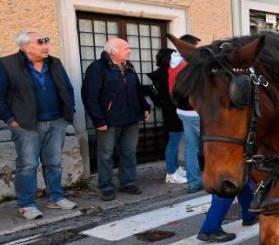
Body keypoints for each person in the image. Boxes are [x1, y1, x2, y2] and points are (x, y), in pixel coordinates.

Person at [0, 31, 78, 219]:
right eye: (40, 42)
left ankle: (56, 198)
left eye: (46, 41)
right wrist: (10, 120)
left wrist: (69, 111)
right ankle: (26, 204)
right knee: (27, 165)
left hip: (57, 121)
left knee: (54, 163)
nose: (46, 46)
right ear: (25, 46)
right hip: (26, 125)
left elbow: (67, 88)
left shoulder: (55, 63)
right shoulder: (7, 64)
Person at [82, 38, 150, 201]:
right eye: (126, 48)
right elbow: (90, 96)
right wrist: (98, 120)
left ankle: (127, 183)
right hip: (109, 120)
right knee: (105, 154)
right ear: (113, 50)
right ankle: (106, 186)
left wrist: (145, 107)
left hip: (131, 117)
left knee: (129, 152)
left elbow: (137, 89)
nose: (129, 51)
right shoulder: (97, 68)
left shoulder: (129, 66)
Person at [169, 34, 203, 193]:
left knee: (191, 148)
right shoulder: (189, 64)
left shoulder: (173, 63)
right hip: (196, 111)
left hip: (182, 111)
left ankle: (194, 182)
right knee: (211, 146)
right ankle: (212, 178)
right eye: (194, 47)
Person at [147, 48, 186, 184]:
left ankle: (175, 168)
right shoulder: (167, 75)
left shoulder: (163, 74)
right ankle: (171, 173)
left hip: (171, 110)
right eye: (175, 56)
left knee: (174, 141)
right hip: (173, 111)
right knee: (173, 142)